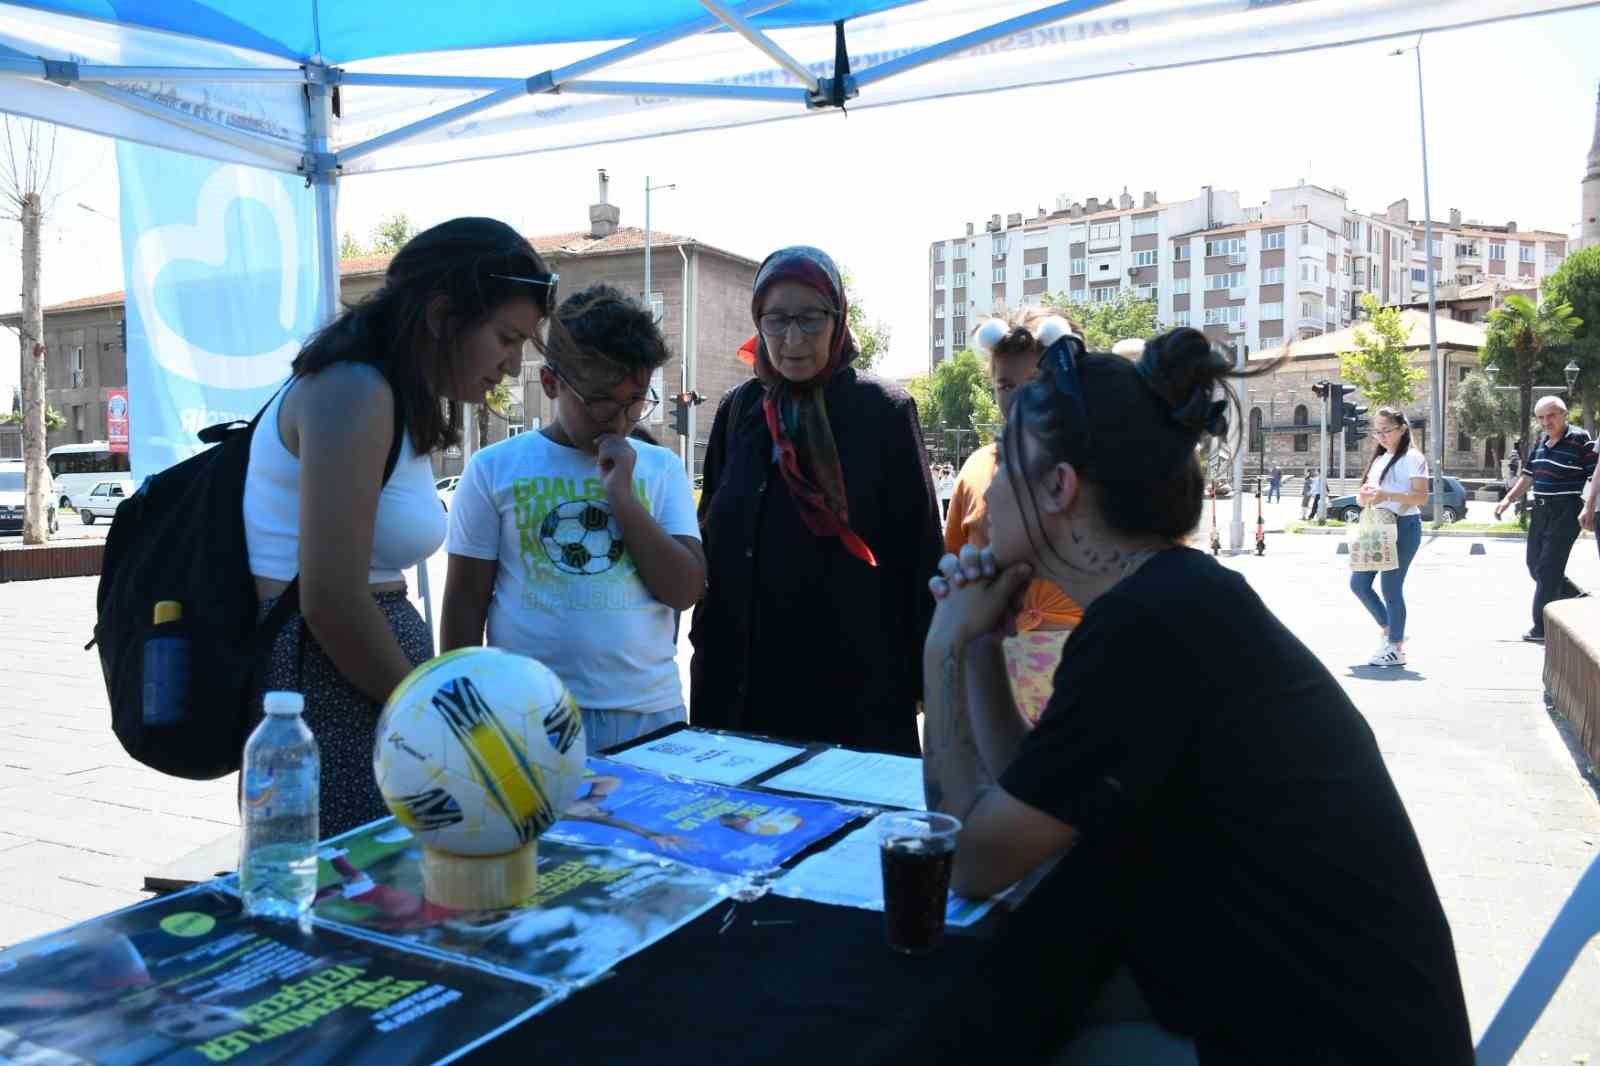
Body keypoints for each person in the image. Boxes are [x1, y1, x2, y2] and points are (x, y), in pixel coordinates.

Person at [918, 328, 1474, 1063]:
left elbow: (971, 862)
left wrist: (941, 649)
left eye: (1002, 461)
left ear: (1060, 487)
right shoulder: (1169, 599)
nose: (982, 483)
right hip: (1316, 1011)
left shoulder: (1151, 625)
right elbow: (1035, 801)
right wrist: (982, 646)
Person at [246, 217, 554, 836]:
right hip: (336, 690)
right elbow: (331, 600)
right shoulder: (352, 390)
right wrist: (437, 718)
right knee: (360, 899)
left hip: (365, 685)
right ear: (442, 316)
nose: (513, 363)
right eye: (505, 337)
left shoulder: (384, 392)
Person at [690, 246, 943, 755]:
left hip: (853, 691)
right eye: (776, 320)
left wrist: (923, 676)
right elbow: (712, 536)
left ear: (838, 318)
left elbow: (920, 551)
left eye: (810, 319)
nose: (792, 339)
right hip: (741, 685)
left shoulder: (882, 410)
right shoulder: (739, 412)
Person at [441, 284, 703, 749]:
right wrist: (466, 709)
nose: (621, 421)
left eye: (636, 400)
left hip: (647, 714)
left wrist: (623, 497)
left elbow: (684, 589)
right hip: (530, 716)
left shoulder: (660, 468)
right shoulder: (494, 469)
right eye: (602, 401)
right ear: (550, 383)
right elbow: (464, 604)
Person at [946, 308, 1084, 721]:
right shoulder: (975, 470)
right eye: (1006, 384)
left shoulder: (1102, 468)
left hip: (1084, 678)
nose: (1020, 397)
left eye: (1037, 381)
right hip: (993, 680)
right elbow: (953, 562)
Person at [1495, 396, 1597, 642]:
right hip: (1540, 509)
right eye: (1541, 417)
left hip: (1567, 509)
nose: (1546, 422)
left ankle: (1541, 627)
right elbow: (1528, 474)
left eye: (1551, 416)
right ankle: (1577, 598)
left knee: (1548, 568)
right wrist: (1508, 499)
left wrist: (1589, 508)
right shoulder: (1541, 440)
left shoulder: (1581, 439)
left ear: (1564, 414)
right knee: (1535, 566)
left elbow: (1596, 474)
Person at [1350, 408, 1429, 668]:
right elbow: (1364, 497)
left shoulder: (1413, 458)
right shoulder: (1381, 459)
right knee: (1359, 583)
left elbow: (1421, 497)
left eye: (1387, 430)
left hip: (1404, 526)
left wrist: (1386, 496)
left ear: (1402, 428)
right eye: (1378, 431)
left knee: (1391, 587)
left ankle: (1395, 648)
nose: (1381, 436)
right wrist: (1364, 495)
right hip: (1377, 526)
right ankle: (1392, 630)